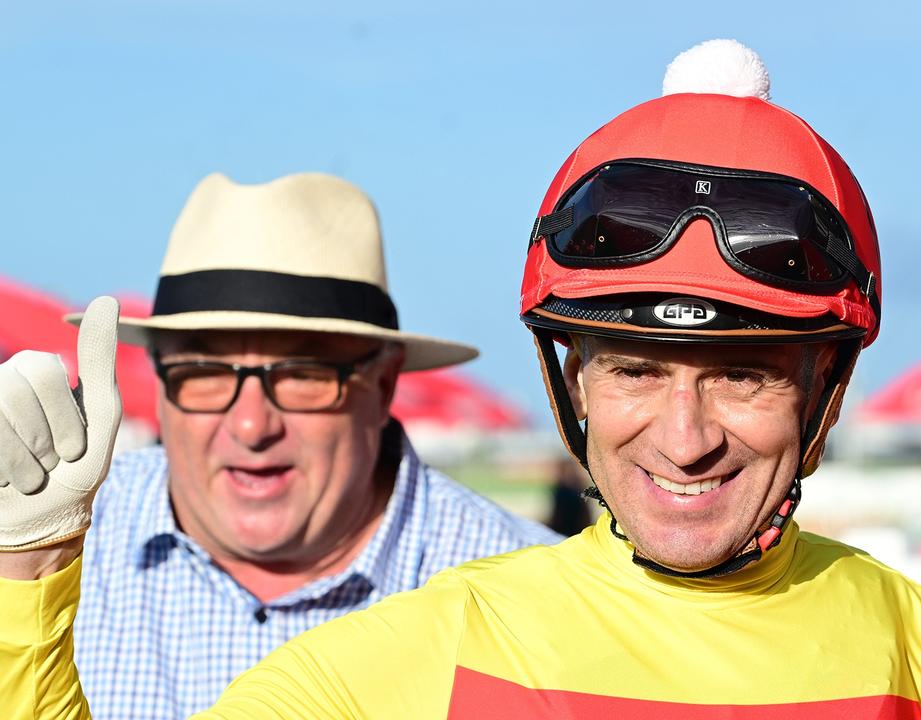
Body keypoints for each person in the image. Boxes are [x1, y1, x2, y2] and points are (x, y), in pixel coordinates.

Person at [0, 41, 921, 718]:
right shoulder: (424, 651)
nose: (683, 435)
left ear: (826, 393)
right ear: (570, 385)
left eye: (742, 376)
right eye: (631, 369)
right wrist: (32, 579)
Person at [0, 172, 559, 719]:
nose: (250, 425)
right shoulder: (38, 547)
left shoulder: (532, 603)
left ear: (384, 383)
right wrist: (25, 569)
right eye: (203, 371)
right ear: (161, 380)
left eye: (302, 373)